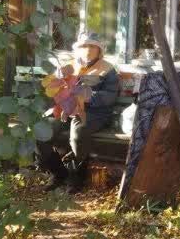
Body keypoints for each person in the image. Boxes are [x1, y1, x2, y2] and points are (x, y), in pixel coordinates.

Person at [36, 32, 119, 191]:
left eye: (92, 46)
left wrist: (85, 97)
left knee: (78, 133)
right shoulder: (69, 66)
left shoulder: (108, 69)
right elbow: (51, 88)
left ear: (99, 50)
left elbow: (110, 96)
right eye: (84, 46)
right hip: (65, 110)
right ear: (78, 49)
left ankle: (76, 177)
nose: (88, 49)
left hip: (94, 112)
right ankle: (59, 173)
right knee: (42, 132)